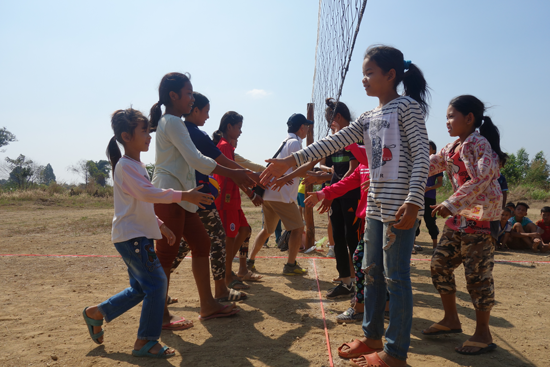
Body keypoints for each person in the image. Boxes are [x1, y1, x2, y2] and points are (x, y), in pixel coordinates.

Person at [260, 45, 430, 367]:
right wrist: (291, 161)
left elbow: (421, 155)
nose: (363, 80)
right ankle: (372, 336)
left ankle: (395, 353)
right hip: (376, 209)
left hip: (399, 210)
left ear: (390, 75)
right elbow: (333, 141)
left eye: (369, 73)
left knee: (397, 277)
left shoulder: (407, 108)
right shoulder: (367, 118)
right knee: (372, 272)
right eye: (362, 74)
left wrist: (413, 200)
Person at [83, 108, 214, 358]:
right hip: (131, 238)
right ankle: (145, 340)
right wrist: (184, 195)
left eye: (148, 131)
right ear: (126, 136)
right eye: (144, 131)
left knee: (142, 288)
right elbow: (148, 194)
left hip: (137, 236)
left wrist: (160, 225)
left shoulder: (137, 166)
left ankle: (96, 313)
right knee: (156, 283)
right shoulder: (125, 166)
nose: (149, 136)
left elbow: (141, 201)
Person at [150, 72, 254, 324]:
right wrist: (235, 174)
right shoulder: (172, 122)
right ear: (173, 96)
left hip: (185, 196)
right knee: (166, 254)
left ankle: (207, 304)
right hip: (171, 195)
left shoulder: (175, 122)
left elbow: (196, 161)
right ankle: (159, 315)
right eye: (188, 93)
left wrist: (238, 173)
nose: (192, 98)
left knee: (202, 244)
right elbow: (197, 160)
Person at [421, 95, 507, 356]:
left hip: (481, 219)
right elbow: (430, 164)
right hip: (459, 219)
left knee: (477, 277)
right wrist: (397, 174)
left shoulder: (480, 144)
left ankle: (483, 333)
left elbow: (484, 176)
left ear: (469, 118)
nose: (447, 121)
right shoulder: (450, 148)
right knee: (439, 265)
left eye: (451, 116)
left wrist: (452, 201)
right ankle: (451, 320)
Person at [168, 92, 252, 303]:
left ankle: (158, 284)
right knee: (218, 238)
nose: (207, 117)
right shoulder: (193, 133)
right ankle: (220, 290)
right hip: (199, 195)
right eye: (205, 112)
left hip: (191, 195)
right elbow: (221, 162)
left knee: (188, 243)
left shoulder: (184, 130)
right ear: (195, 110)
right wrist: (252, 177)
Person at [305, 142, 370, 319]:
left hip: (385, 220)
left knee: (372, 263)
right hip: (369, 220)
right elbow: (347, 182)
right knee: (362, 259)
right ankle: (363, 304)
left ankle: (368, 306)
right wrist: (323, 194)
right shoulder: (364, 166)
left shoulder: (386, 162)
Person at [247, 113, 314, 276]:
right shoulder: (295, 144)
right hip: (280, 196)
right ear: (301, 128)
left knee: (267, 230)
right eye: (306, 126)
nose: (307, 130)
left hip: (270, 195)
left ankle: (249, 261)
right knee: (298, 228)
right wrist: (319, 173)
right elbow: (300, 170)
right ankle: (290, 265)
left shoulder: (285, 142)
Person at [212, 111, 263, 290]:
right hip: (225, 201)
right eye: (239, 128)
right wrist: (251, 189)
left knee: (244, 230)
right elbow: (235, 174)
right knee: (229, 237)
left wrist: (250, 191)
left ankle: (231, 270)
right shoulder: (224, 145)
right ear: (229, 127)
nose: (241, 132)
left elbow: (237, 175)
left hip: (233, 200)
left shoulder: (228, 147)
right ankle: (226, 275)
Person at [415, 140, 443, 251]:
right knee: (415, 219)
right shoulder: (418, 163)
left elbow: (440, 183)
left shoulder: (437, 165)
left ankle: (435, 245)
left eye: (428, 147)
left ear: (434, 150)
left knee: (430, 220)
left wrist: (429, 188)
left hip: (430, 197)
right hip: (418, 195)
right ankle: (412, 245)